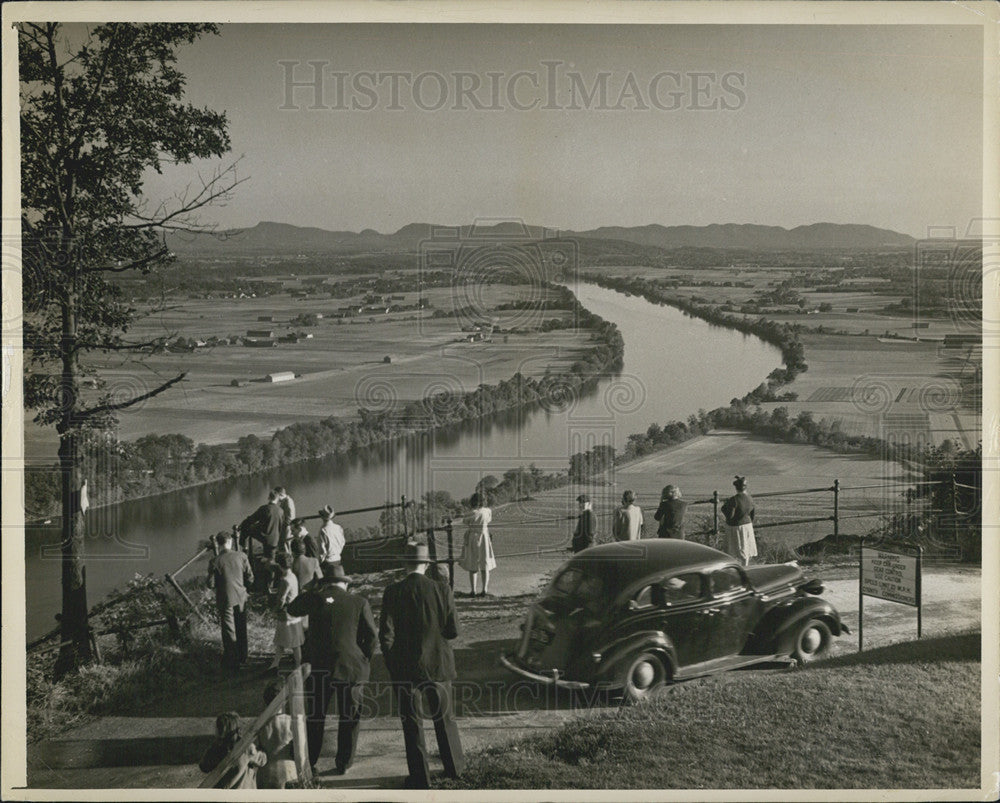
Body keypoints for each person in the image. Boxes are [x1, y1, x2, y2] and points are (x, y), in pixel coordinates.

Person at [379, 541, 465, 789]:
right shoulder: (441, 589)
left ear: (405, 564)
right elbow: (453, 631)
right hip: (438, 664)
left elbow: (386, 635)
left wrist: (392, 663)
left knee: (412, 724)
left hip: (406, 669)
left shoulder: (393, 592)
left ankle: (420, 778)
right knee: (445, 719)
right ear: (426, 565)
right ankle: (455, 768)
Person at [287, 563, 376, 777]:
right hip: (351, 665)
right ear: (344, 583)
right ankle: (344, 762)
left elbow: (292, 608)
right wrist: (362, 657)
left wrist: (313, 589)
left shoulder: (315, 599)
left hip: (319, 667)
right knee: (350, 716)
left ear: (324, 583)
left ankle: (311, 760)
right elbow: (372, 637)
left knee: (316, 716)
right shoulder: (359, 602)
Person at [207, 531, 254, 673]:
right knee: (241, 626)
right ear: (230, 542)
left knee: (229, 630)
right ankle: (243, 656)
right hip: (241, 597)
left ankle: (232, 662)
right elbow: (250, 578)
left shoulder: (215, 561)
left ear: (218, 544)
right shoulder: (241, 556)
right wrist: (244, 587)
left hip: (225, 598)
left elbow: (211, 584)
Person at [199, 711, 267, 789]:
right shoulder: (246, 748)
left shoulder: (217, 750)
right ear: (237, 729)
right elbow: (262, 760)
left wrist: (216, 742)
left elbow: (203, 766)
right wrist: (261, 747)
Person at [256, 680, 298, 790]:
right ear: (284, 701)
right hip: (288, 772)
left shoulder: (259, 724)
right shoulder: (291, 722)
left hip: (266, 773)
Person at [268, 552, 305, 671]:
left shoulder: (284, 580)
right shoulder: (293, 576)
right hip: (295, 612)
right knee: (290, 642)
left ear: (279, 565)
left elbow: (281, 599)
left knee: (286, 641)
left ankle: (295, 666)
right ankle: (276, 664)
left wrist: (275, 610)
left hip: (286, 614)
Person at [458, 492, 496, 596]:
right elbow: (489, 520)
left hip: (472, 537)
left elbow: (465, 522)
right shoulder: (488, 511)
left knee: (472, 563)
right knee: (485, 563)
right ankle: (484, 589)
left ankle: (473, 590)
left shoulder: (471, 513)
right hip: (484, 536)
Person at [722, 475, 757, 566]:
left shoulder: (734, 500)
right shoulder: (750, 498)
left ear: (736, 488)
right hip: (747, 526)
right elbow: (752, 514)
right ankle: (745, 566)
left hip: (736, 527)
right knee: (746, 548)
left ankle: (734, 566)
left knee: (734, 549)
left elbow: (730, 516)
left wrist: (724, 507)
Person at [240, 490, 284, 560]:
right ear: (278, 499)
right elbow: (280, 525)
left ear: (268, 498)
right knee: (271, 558)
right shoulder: (281, 510)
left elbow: (251, 519)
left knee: (246, 527)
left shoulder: (264, 509)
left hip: (264, 537)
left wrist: (241, 525)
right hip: (275, 539)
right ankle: (270, 565)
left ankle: (244, 549)